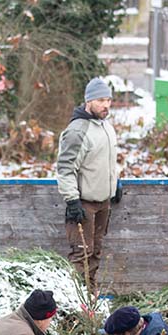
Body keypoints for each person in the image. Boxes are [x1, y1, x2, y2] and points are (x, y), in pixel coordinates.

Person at [57, 76, 121, 291]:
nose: (106, 105)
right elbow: (65, 168)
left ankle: (90, 296)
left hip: (104, 201)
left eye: (109, 100)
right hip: (84, 203)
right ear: (89, 101)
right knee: (81, 255)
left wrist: (115, 183)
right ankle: (76, 299)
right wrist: (72, 200)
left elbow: (109, 160)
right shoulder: (77, 131)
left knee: (95, 253)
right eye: (101, 100)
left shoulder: (106, 127)